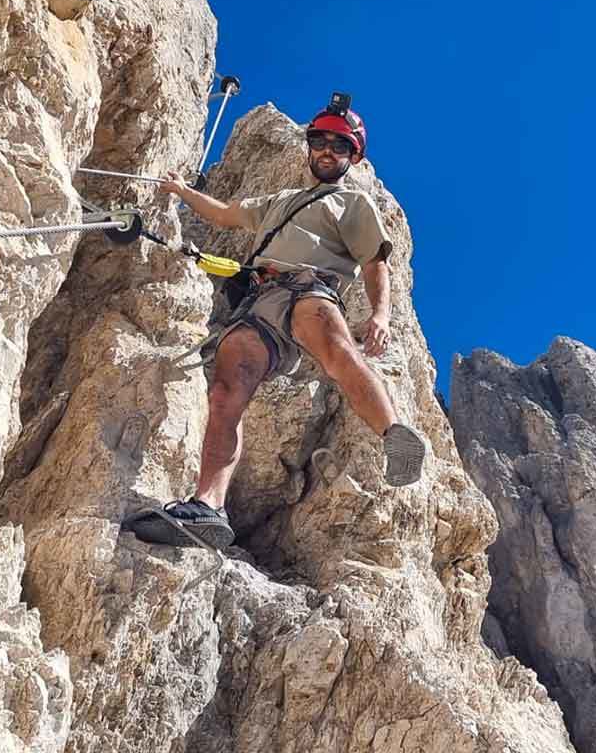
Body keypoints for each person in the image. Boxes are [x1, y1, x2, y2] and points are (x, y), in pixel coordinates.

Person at [122, 101, 427, 548]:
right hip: (260, 300)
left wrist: (380, 314)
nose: (327, 151)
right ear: (309, 147)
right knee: (227, 391)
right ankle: (208, 506)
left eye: (339, 145)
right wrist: (182, 191)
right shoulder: (280, 202)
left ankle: (395, 434)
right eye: (320, 141)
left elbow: (375, 264)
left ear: (353, 157)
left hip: (310, 289)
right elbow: (225, 214)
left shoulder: (353, 203)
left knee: (336, 351)